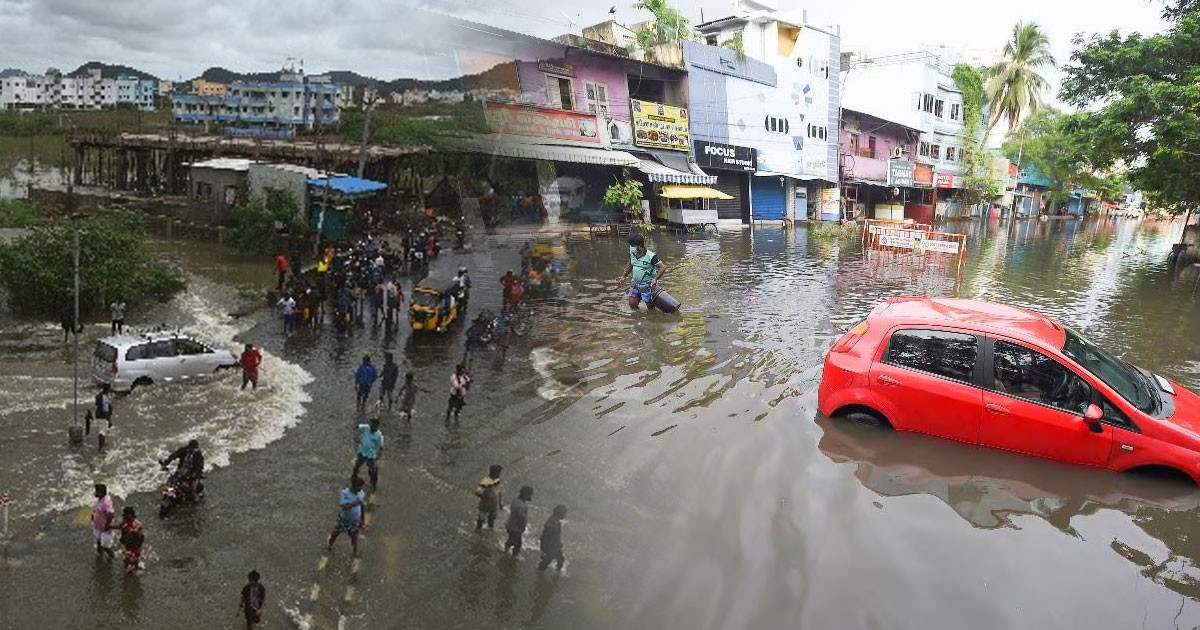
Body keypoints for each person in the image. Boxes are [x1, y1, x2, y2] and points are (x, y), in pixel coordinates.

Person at [619, 232, 667, 310]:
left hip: (648, 285)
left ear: (640, 245)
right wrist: (624, 276)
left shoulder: (651, 256)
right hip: (635, 283)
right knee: (632, 305)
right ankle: (638, 320)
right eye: (630, 245)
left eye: (633, 246)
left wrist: (655, 279)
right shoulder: (632, 253)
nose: (631, 247)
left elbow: (663, 267)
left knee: (650, 308)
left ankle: (650, 320)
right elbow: (630, 263)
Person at [328, 476, 367, 557]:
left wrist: (362, 520)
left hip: (354, 520)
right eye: (359, 488)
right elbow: (343, 506)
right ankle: (330, 545)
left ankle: (355, 552)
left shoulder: (361, 493)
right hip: (343, 519)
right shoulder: (344, 493)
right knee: (335, 533)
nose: (360, 490)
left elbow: (362, 506)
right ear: (354, 487)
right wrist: (355, 503)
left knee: (354, 537)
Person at [353, 418, 384, 492]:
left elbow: (381, 447)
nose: (371, 427)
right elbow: (357, 426)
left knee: (372, 470)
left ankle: (373, 484)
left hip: (370, 455)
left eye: (373, 426)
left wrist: (379, 456)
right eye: (371, 424)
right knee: (357, 465)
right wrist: (356, 437)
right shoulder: (366, 427)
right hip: (362, 452)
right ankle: (354, 476)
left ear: (376, 426)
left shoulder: (379, 435)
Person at [504, 485, 534, 556]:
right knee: (518, 544)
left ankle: (506, 551)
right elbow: (522, 518)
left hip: (510, 524)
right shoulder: (522, 506)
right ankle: (514, 557)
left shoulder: (515, 500)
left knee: (511, 539)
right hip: (516, 528)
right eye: (530, 495)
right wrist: (522, 527)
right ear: (526, 495)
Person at [115, 505, 145, 575]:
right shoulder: (124, 522)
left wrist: (133, 531)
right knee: (126, 559)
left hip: (135, 544)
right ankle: (130, 568)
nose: (123, 516)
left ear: (130, 515)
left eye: (125, 514)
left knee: (134, 558)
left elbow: (140, 536)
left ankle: (134, 570)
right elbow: (120, 528)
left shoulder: (137, 524)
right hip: (127, 543)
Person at [537, 505, 568, 572]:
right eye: (564, 514)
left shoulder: (556, 522)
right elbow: (545, 537)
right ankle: (540, 572)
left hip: (555, 546)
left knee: (560, 559)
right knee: (547, 561)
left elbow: (557, 535)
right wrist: (543, 549)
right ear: (559, 514)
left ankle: (557, 571)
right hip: (550, 546)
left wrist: (559, 543)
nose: (565, 515)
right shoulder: (550, 524)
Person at [475, 464, 503, 530]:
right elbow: (477, 493)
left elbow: (499, 491)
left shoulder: (497, 480)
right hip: (485, 504)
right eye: (499, 473)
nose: (500, 474)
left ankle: (490, 530)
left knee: (492, 519)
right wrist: (485, 495)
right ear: (494, 473)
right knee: (481, 519)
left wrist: (500, 502)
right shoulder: (485, 482)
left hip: (494, 504)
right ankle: (478, 531)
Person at [92, 483, 116, 559]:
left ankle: (112, 557)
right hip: (98, 526)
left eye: (96, 491)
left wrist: (107, 524)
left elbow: (111, 514)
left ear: (101, 493)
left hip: (104, 528)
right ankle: (99, 555)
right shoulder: (100, 499)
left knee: (106, 547)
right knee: (98, 541)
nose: (95, 493)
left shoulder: (106, 502)